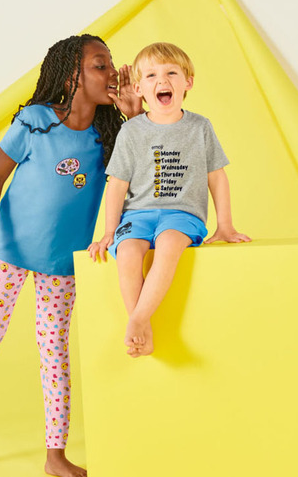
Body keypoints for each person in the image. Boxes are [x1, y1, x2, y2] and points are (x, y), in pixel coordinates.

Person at [0, 35, 141, 477]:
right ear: (71, 77)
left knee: (54, 352)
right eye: (100, 65)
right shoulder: (35, 121)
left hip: (62, 264)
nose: (112, 73)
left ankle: (55, 454)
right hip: (8, 252)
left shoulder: (111, 136)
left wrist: (136, 116)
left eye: (111, 64)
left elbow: (139, 179)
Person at [88, 42, 251, 358]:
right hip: (137, 215)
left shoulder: (200, 127)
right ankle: (142, 327)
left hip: (182, 214)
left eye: (171, 73)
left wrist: (226, 225)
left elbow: (217, 176)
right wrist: (109, 231)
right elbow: (117, 184)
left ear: (188, 82)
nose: (161, 80)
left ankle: (137, 320)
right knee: (128, 252)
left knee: (168, 244)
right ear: (139, 89)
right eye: (151, 75)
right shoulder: (131, 131)